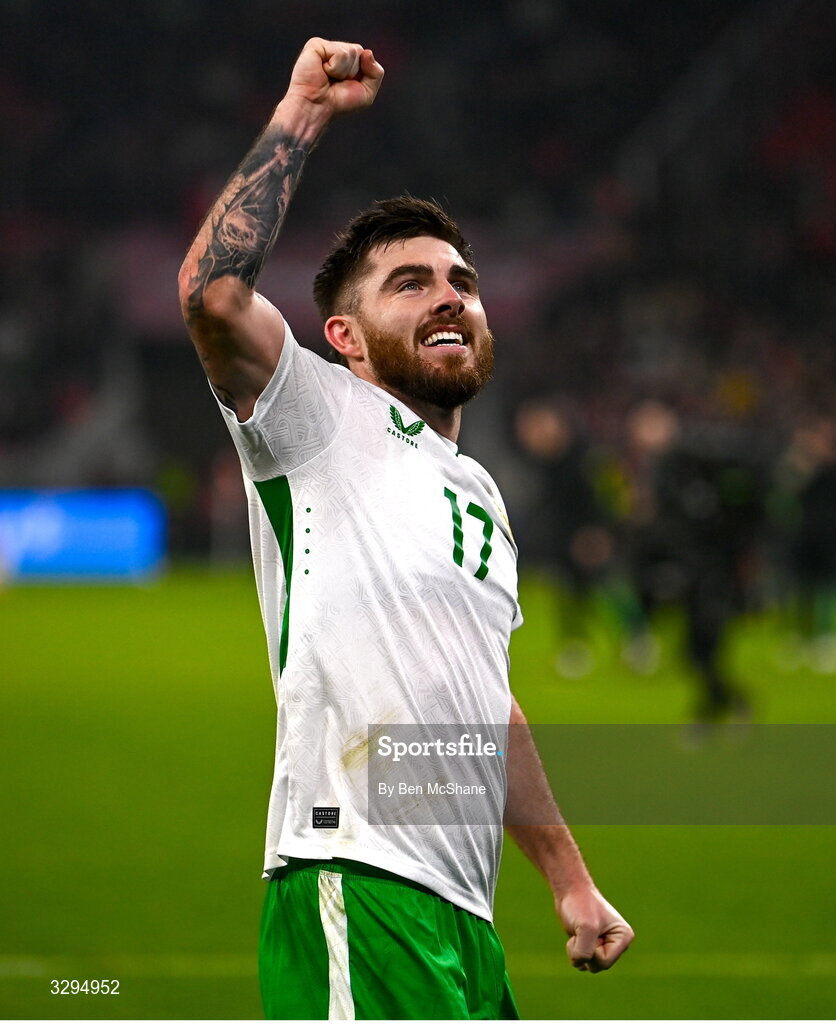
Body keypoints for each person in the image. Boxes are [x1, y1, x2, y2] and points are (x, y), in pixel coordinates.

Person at [178, 37, 633, 1020]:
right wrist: (302, 110)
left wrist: (566, 879)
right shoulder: (313, 418)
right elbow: (212, 297)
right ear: (342, 338)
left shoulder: (477, 494)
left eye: (461, 281)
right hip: (356, 880)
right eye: (410, 282)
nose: (449, 296)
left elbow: (489, 709)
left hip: (464, 917)